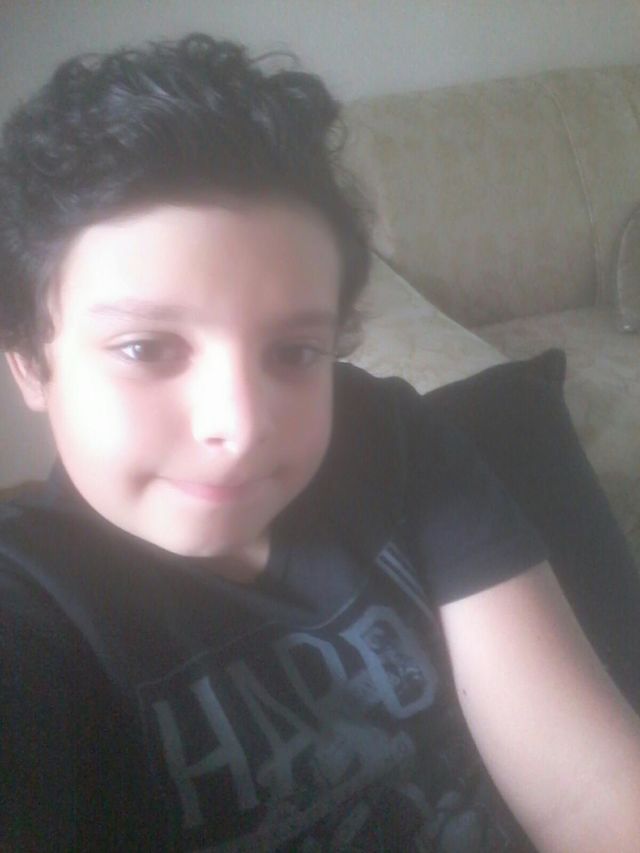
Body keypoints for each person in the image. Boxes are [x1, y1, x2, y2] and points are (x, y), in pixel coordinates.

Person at [0, 33, 639, 853]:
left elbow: (590, 794)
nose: (240, 426)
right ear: (30, 363)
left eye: (295, 352)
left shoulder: (395, 442)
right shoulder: (33, 615)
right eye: (145, 348)